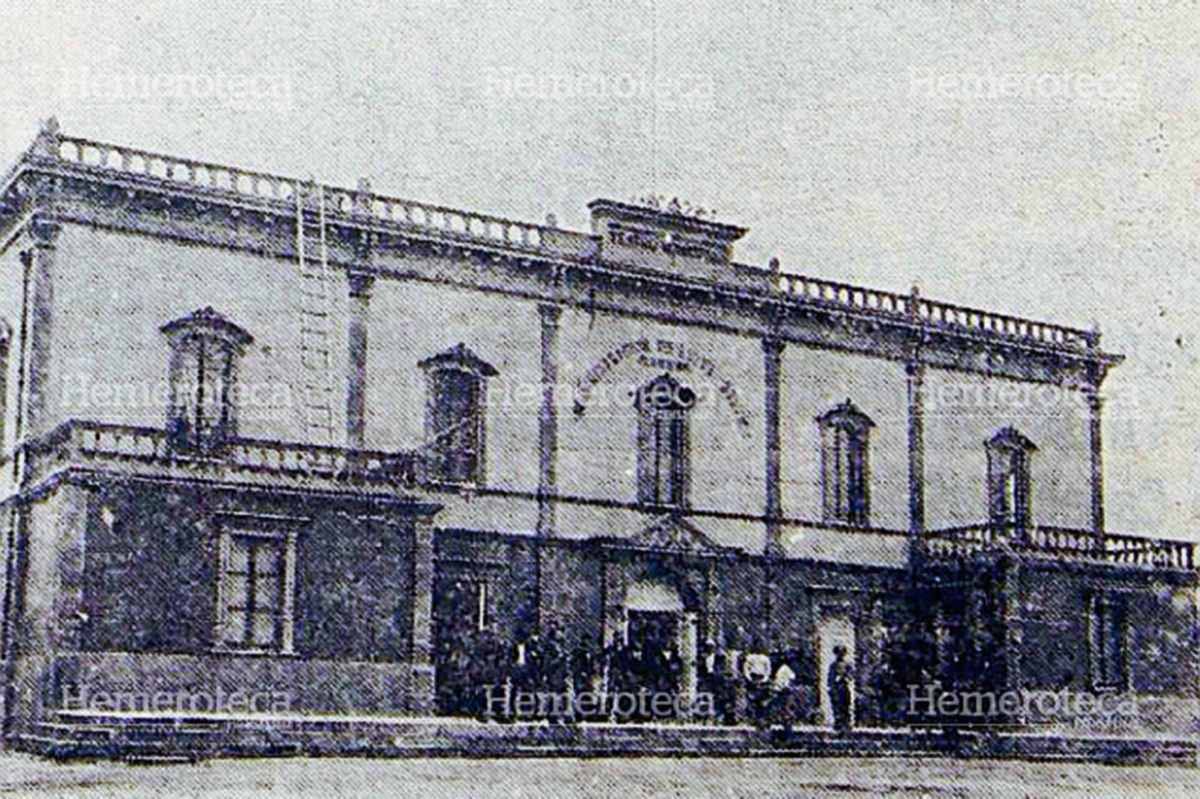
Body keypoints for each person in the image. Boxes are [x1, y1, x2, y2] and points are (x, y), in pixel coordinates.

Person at [769, 651, 798, 735]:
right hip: (785, 691)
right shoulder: (786, 669)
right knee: (787, 709)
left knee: (784, 709)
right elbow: (789, 681)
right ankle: (786, 725)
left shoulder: (783, 669)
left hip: (782, 691)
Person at [828, 644, 854, 734]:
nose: (840, 655)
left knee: (845, 707)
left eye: (842, 653)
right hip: (835, 689)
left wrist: (844, 678)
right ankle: (838, 725)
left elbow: (850, 675)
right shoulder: (833, 665)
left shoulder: (847, 665)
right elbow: (830, 678)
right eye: (838, 653)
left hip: (843, 688)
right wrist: (831, 687)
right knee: (836, 708)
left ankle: (846, 725)